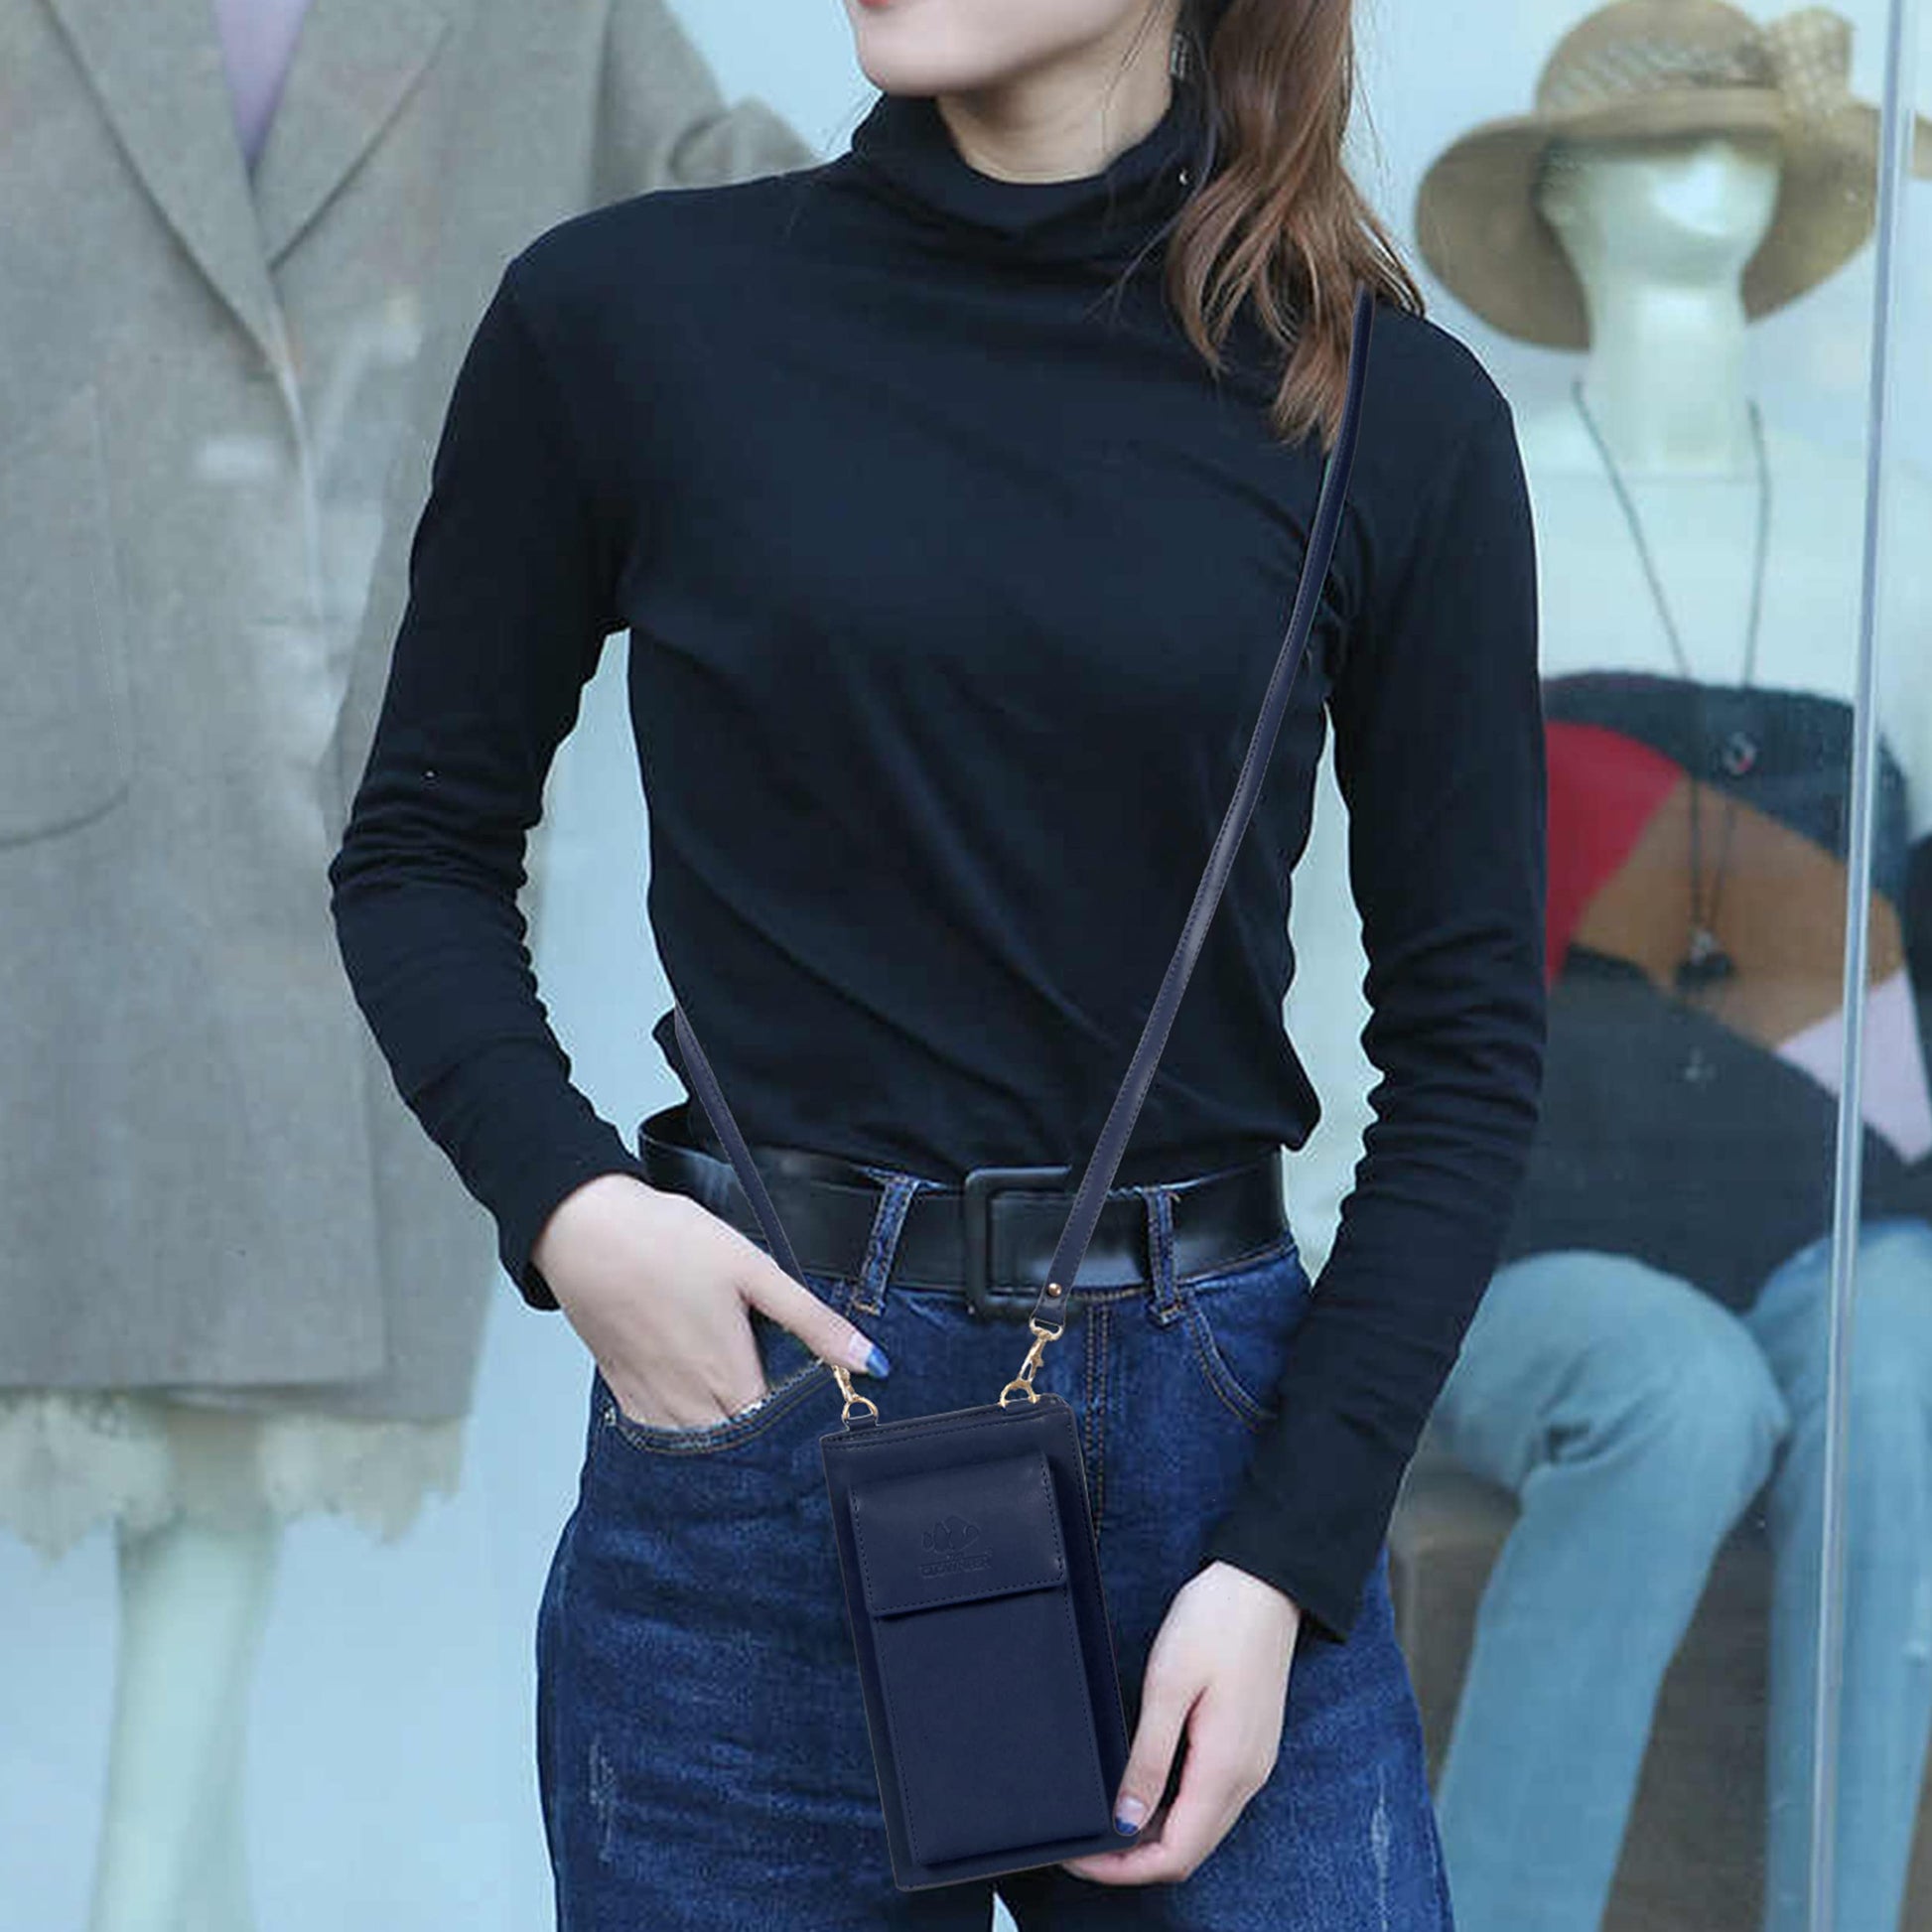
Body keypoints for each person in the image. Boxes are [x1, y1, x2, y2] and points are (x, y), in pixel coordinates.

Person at [327, 0, 1547, 1923]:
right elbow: (416, 849)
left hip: (1218, 1476)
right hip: (757, 1421)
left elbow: (1469, 1049)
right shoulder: (626, 320)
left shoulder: (1383, 407)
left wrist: (1285, 1559)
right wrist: (577, 1213)